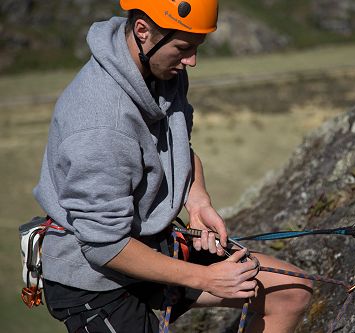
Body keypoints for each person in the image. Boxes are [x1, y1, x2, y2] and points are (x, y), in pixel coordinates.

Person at [33, 0, 313, 332]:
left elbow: (178, 147)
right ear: (142, 30)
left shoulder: (162, 70)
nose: (191, 61)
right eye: (183, 47)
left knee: (291, 292)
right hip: (95, 279)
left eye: (197, 48)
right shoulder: (100, 122)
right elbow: (103, 245)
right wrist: (206, 277)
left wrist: (197, 202)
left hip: (149, 243)